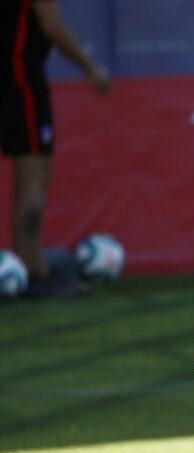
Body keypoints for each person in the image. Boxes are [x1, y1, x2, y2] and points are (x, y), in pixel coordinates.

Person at [0, 0, 110, 296]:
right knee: (35, 169)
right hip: (20, 73)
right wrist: (91, 68)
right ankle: (34, 271)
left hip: (14, 70)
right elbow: (51, 26)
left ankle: (27, 266)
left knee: (30, 170)